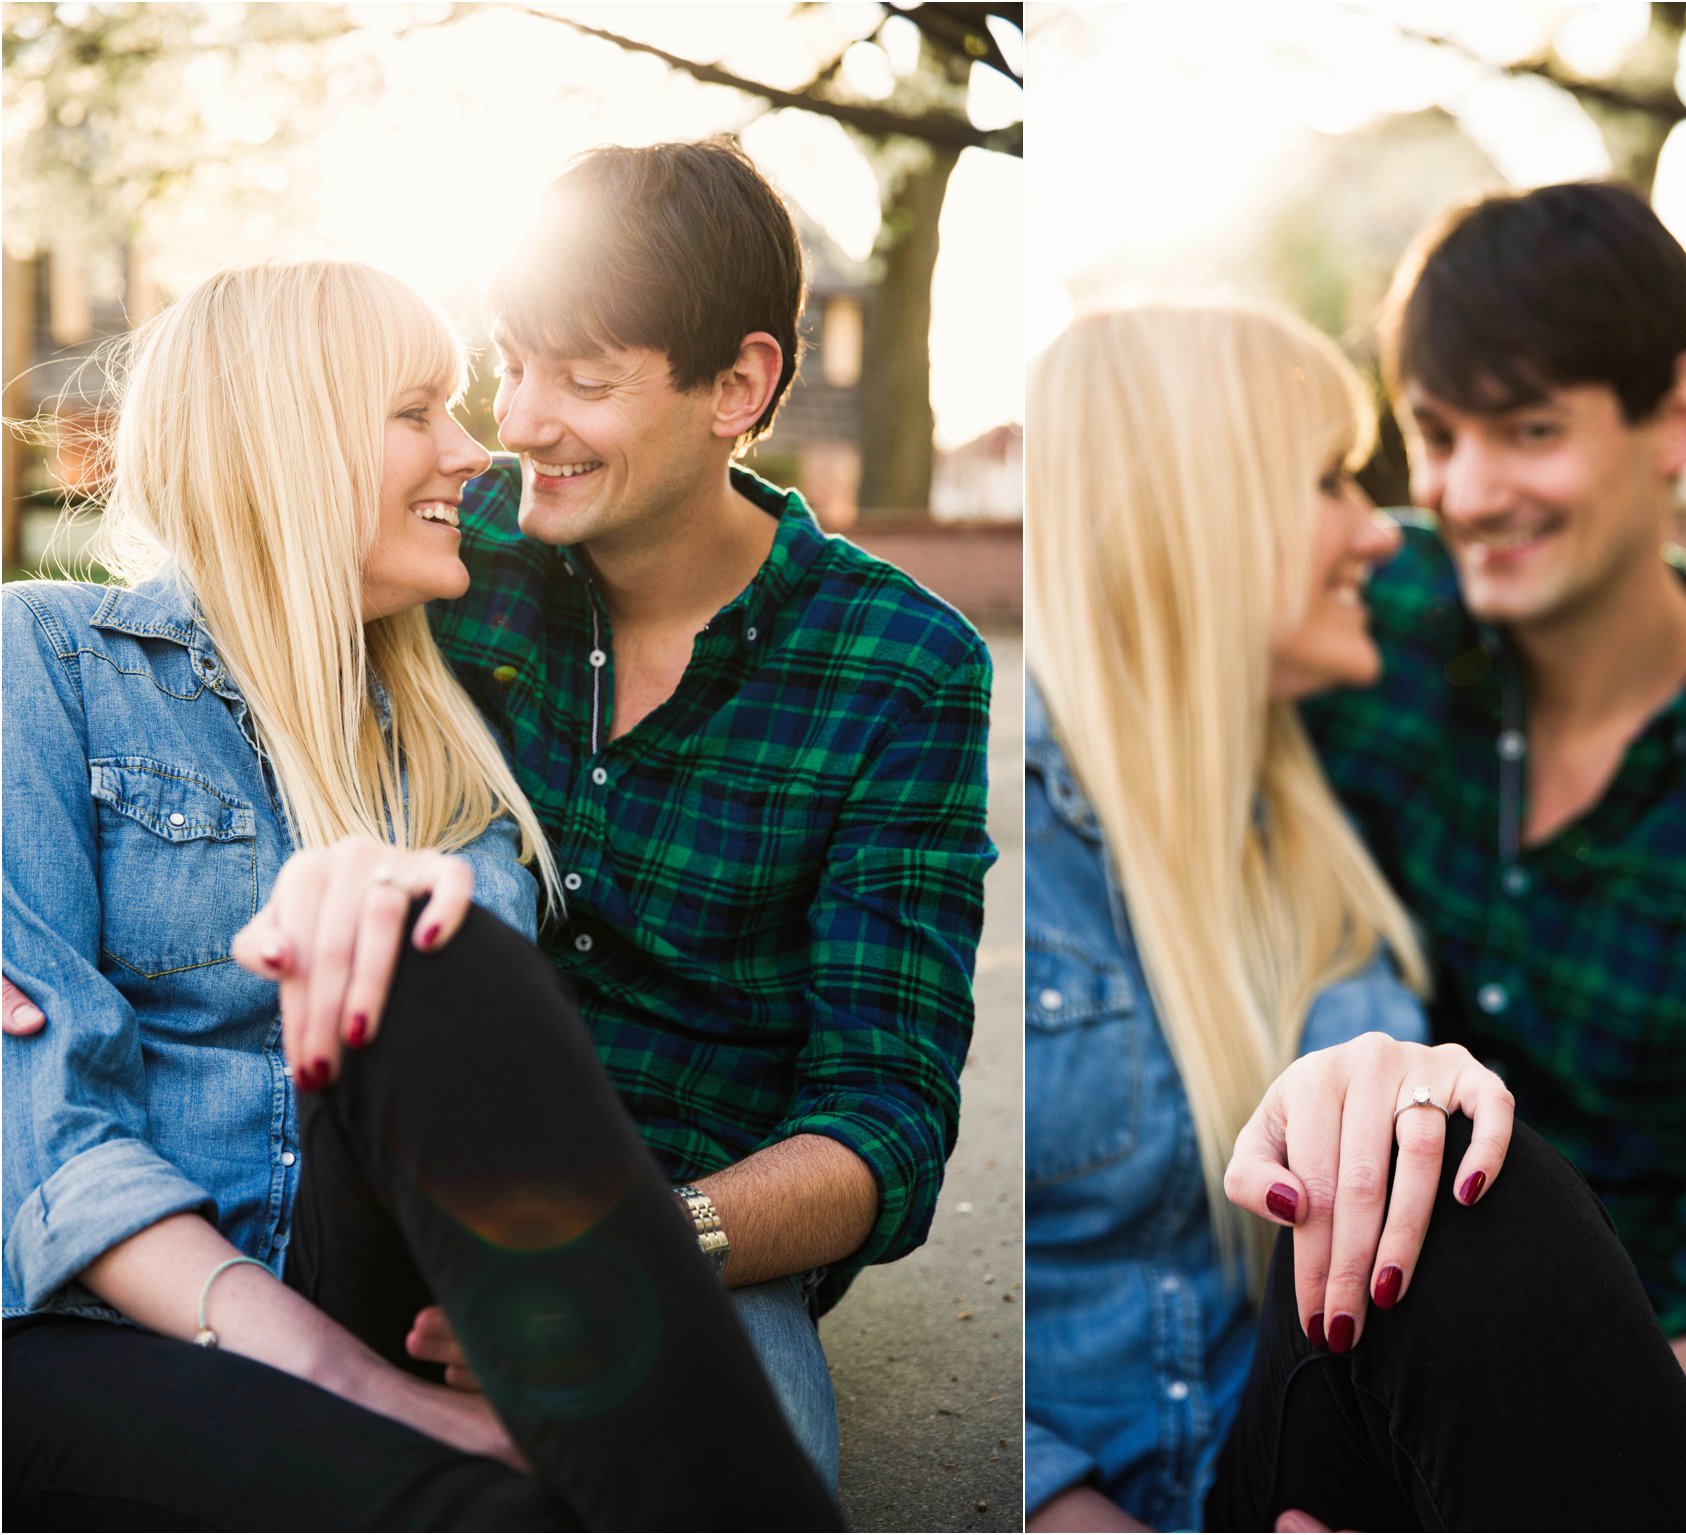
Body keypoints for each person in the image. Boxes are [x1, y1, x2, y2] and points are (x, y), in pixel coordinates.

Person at [3, 139, 997, 1490]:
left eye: (579, 382)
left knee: (740, 1457)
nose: (506, 429)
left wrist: (620, 1249)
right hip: (284, 1245)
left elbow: (886, 1110)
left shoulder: (893, 664)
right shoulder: (441, 586)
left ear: (744, 387)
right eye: (500, 367)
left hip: (679, 1205)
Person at [1023, 302, 1686, 1532]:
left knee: (1446, 1175)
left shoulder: (1307, 839)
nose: (1381, 530)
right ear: (1195, 515)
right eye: (1329, 480)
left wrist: (1392, 1079)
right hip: (1096, 1507)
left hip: (1281, 1474)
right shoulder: (999, 822)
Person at [1302, 181, 1686, 1482]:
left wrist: (1537, 1481)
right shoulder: (1365, 616)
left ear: (1676, 416)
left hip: (1605, 1406)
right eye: (1436, 432)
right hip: (1296, 1342)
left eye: (1529, 429)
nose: (1467, 493)